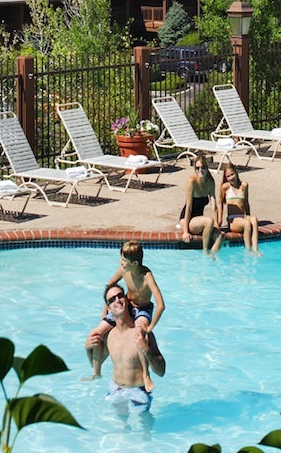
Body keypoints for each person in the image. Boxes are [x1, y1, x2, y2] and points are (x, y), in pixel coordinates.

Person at [84, 241, 166, 382]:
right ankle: (96, 373)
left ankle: (146, 375)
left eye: (123, 260)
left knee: (139, 333)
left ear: (134, 263)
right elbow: (109, 288)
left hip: (142, 310)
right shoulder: (123, 270)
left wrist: (151, 326)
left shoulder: (146, 276)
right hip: (126, 305)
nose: (120, 262)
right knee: (95, 333)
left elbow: (161, 305)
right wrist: (105, 313)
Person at [102, 283, 166, 410]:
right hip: (115, 388)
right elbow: (98, 360)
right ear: (108, 308)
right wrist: (89, 344)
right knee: (121, 427)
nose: (117, 301)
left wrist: (146, 350)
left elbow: (161, 371)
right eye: (112, 299)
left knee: (144, 428)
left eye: (120, 296)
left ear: (126, 299)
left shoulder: (142, 333)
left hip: (139, 392)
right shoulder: (108, 335)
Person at [178, 151, 221, 255]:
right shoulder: (191, 181)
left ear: (207, 168)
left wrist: (217, 225)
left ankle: (213, 256)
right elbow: (188, 207)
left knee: (219, 236)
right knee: (209, 221)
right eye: (197, 168)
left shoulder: (210, 182)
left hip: (198, 220)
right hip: (187, 219)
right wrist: (186, 231)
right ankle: (205, 252)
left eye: (203, 167)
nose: (200, 170)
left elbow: (214, 206)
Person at [217, 162, 260, 254]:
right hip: (233, 220)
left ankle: (256, 250)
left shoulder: (244, 185)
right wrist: (219, 222)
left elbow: (246, 202)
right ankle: (248, 250)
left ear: (236, 172)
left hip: (242, 216)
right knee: (246, 224)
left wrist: (249, 216)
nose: (230, 178)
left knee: (254, 220)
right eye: (228, 176)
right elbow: (220, 204)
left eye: (232, 174)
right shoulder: (225, 187)